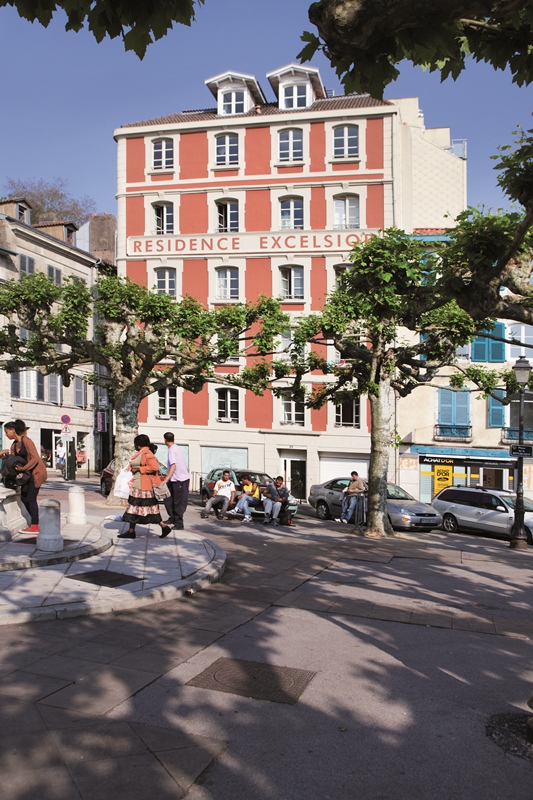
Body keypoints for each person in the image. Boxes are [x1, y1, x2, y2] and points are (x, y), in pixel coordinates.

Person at [119, 434, 172, 539]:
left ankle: (163, 527)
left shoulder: (147, 453)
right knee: (136, 509)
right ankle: (131, 531)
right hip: (138, 484)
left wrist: (139, 469)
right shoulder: (142, 452)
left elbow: (154, 467)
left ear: (138, 445)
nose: (134, 446)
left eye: (135, 444)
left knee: (146, 508)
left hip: (144, 486)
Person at [0, 419, 47, 534]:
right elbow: (13, 461)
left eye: (7, 432)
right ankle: (36, 522)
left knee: (30, 498)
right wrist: (3, 457)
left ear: (13, 430)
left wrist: (23, 468)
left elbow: (35, 458)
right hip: (25, 476)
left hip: (35, 473)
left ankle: (35, 525)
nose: (6, 434)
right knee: (24, 498)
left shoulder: (26, 441)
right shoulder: (14, 445)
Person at [162, 432, 190, 530]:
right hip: (175, 479)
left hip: (180, 479)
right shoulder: (176, 448)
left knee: (178, 502)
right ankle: (172, 517)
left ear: (165, 440)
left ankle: (179, 523)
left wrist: (166, 478)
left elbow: (173, 466)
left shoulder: (172, 450)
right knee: (168, 499)